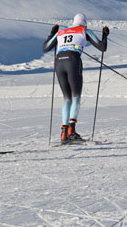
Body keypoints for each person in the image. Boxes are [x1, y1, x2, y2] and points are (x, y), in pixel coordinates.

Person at [42, 13, 109, 143]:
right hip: (73, 60)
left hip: (59, 62)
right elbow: (102, 47)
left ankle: (64, 133)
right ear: (84, 23)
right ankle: (72, 131)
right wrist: (105, 34)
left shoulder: (61, 32)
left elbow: (45, 48)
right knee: (76, 97)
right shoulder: (84, 30)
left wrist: (52, 33)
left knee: (66, 98)